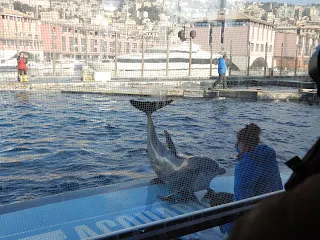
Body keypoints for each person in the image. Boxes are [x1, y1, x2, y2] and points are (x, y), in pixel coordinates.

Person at [219, 123, 283, 234]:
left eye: (238, 142)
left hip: (256, 218)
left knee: (220, 206)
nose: (236, 145)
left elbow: (242, 202)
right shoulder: (267, 155)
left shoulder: (246, 165)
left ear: (243, 143)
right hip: (275, 206)